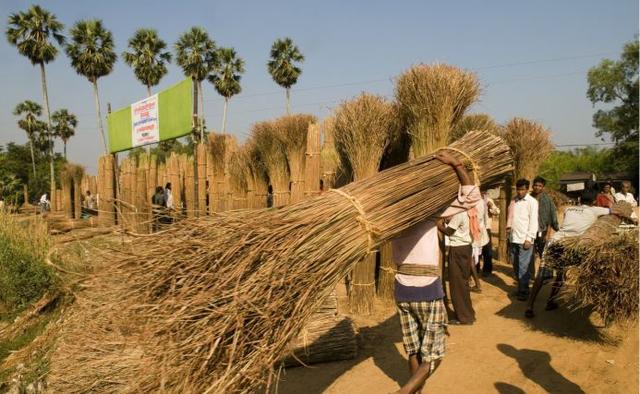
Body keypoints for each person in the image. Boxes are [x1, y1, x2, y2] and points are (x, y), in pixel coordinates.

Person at [391, 151, 480, 394]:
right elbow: (472, 197)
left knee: (413, 349)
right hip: (428, 289)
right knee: (435, 355)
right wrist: (457, 164)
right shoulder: (431, 213)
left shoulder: (390, 217)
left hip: (402, 290)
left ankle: (415, 392)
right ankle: (405, 391)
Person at [525, 189, 626, 317]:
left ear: (579, 200)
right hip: (573, 245)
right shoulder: (595, 210)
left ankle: (530, 305)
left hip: (556, 242)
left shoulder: (569, 209)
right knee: (564, 274)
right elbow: (615, 211)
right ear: (594, 201)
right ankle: (550, 302)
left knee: (542, 274)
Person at [507, 179, 538, 301]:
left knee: (523, 266)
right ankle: (521, 288)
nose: (520, 192)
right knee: (515, 265)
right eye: (518, 189)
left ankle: (524, 291)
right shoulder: (514, 201)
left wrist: (529, 238)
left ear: (527, 189)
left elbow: (534, 221)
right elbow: (511, 217)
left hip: (525, 239)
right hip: (514, 238)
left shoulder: (532, 202)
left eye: (522, 189)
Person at [530, 176, 559, 279]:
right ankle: (530, 275)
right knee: (530, 254)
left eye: (540, 186)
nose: (537, 187)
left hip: (543, 230)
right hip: (530, 231)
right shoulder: (529, 198)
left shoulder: (547, 199)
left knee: (544, 253)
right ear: (533, 186)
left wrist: (548, 233)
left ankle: (545, 275)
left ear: (543, 187)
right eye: (536, 185)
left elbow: (551, 217)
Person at [479, 191, 499, 275]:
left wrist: (491, 206)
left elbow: (497, 212)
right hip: (477, 228)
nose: (483, 193)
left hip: (486, 228)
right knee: (477, 249)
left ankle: (487, 270)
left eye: (485, 191)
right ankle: (476, 269)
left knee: (487, 250)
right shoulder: (474, 200)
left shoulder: (489, 200)